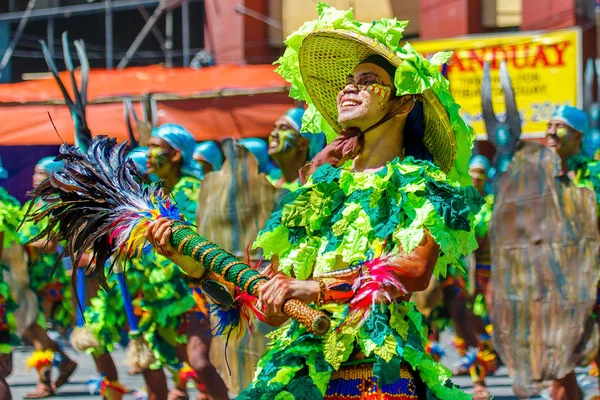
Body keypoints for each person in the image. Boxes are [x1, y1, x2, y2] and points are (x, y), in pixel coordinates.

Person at [145, 4, 483, 399]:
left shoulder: (426, 185)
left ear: (402, 104)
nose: (349, 87)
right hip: (298, 375)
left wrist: (313, 288)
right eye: (348, 81)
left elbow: (412, 270)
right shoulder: (315, 192)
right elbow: (265, 302)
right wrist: (190, 263)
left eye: (368, 80)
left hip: (374, 375)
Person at [490, 105, 598, 399]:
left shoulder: (593, 177)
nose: (551, 132)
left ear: (578, 136)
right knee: (561, 371)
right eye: (549, 125)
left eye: (559, 126)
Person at [146, 124, 229, 400]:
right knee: (175, 363)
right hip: (161, 293)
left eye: (156, 147)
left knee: (200, 361)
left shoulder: (194, 189)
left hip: (196, 288)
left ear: (176, 155)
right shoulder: (152, 194)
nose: (148, 154)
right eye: (147, 146)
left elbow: (202, 238)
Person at [20, 157, 78, 399]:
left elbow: (52, 243)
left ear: (54, 179)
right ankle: (64, 361)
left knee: (37, 328)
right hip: (29, 279)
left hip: (47, 280)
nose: (35, 177)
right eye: (34, 173)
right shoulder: (30, 206)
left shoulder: (55, 205)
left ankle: (44, 383)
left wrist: (21, 243)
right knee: (30, 330)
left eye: (41, 174)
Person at [266, 107, 326, 191]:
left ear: (303, 144)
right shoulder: (267, 181)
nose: (273, 134)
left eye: (283, 128)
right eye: (275, 127)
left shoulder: (315, 187)